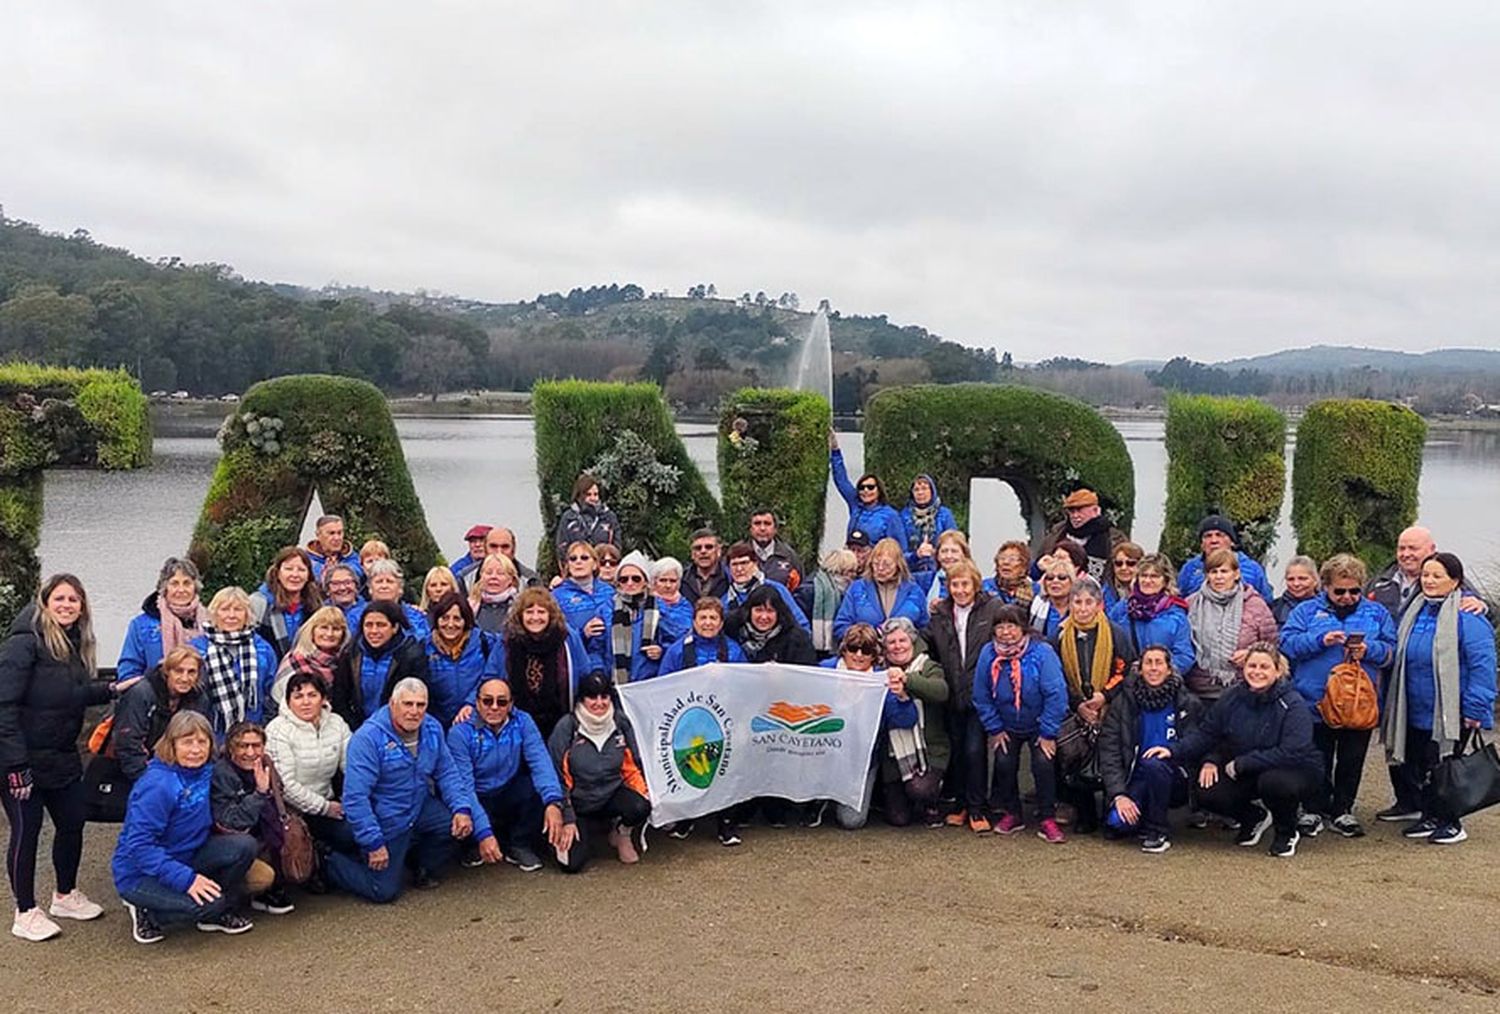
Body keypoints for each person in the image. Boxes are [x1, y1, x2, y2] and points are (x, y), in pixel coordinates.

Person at [0, 575, 124, 941]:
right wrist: (15, 764)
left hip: (60, 755)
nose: (67, 605)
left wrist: (113, 688)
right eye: (60, 598)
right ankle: (25, 911)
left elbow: (71, 695)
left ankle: (65, 895)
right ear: (45, 601)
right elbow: (3, 705)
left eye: (74, 600)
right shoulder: (23, 644)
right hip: (20, 760)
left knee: (72, 821)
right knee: (26, 830)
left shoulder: (72, 644)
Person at [1146, 642, 1322, 858]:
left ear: (1278, 671)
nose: (1257, 672)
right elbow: (1207, 734)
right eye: (1252, 666)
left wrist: (1245, 763)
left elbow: (1293, 750)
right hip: (1246, 765)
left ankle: (1286, 831)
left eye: (1264, 667)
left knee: (1275, 783)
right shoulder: (1232, 698)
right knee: (1206, 788)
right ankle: (1253, 817)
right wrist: (1173, 750)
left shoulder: (1292, 703)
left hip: (1294, 768)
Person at [324, 678, 478, 902]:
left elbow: (447, 772)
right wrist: (373, 842)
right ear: (392, 703)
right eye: (407, 704)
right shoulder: (368, 739)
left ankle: (421, 866)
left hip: (419, 806)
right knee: (382, 891)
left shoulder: (432, 728)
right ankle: (328, 861)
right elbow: (356, 798)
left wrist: (462, 808)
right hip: (386, 816)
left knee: (453, 826)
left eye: (420, 705)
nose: (414, 711)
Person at [113, 711, 259, 943]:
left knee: (244, 846)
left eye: (202, 742)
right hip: (141, 872)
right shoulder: (157, 785)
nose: (195, 749)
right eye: (187, 742)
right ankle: (147, 910)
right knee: (211, 905)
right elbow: (140, 846)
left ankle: (214, 908)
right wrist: (187, 880)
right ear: (172, 744)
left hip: (188, 853)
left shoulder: (206, 769)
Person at [1279, 553, 1396, 838]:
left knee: (1351, 759)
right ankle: (1313, 810)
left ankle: (1343, 809)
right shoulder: (1306, 612)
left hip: (1359, 702)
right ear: (1325, 586)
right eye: (1339, 591)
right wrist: (1320, 640)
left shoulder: (1376, 613)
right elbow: (1286, 644)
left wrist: (1371, 650)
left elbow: (1392, 651)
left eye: (1354, 590)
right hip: (1314, 700)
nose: (1347, 596)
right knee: (1316, 757)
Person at [1383, 552, 1497, 844]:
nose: (1429, 581)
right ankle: (1429, 815)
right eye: (1425, 575)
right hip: (1414, 708)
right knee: (1421, 765)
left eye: (1437, 576)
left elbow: (1482, 666)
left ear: (1455, 581)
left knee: (1446, 767)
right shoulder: (1414, 611)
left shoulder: (1469, 618)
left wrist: (1475, 707)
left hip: (1450, 710)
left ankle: (1451, 821)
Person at [447, 678, 567, 873]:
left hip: (506, 787)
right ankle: (472, 845)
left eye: (501, 702)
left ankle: (519, 844)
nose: (494, 707)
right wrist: (484, 833)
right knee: (458, 808)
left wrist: (553, 802)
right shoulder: (459, 733)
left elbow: (540, 762)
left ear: (511, 704)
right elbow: (464, 788)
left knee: (536, 790)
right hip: (476, 793)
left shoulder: (524, 721)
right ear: (477, 703)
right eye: (487, 701)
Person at [972, 604, 1069, 842]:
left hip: (1039, 722)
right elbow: (981, 694)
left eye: (1012, 625)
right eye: (1000, 626)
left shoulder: (1042, 652)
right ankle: (1012, 813)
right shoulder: (988, 653)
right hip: (1006, 723)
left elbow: (1056, 693)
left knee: (1043, 763)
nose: (1006, 632)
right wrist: (994, 727)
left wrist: (1047, 732)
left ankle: (1047, 817)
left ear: (1023, 627)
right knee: (1004, 762)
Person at [1052, 577, 1137, 833]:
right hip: (1075, 707)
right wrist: (1078, 703)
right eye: (1077, 602)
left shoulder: (1115, 633)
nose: (1083, 608)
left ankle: (1112, 809)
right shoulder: (1060, 636)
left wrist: (1105, 696)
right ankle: (1085, 812)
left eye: (1089, 602)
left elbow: (1125, 669)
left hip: (1111, 706)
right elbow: (1057, 675)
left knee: (1111, 757)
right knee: (1075, 758)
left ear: (1099, 605)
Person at [1097, 645, 1201, 854]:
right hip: (1135, 777)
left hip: (1174, 776)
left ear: (1169, 669)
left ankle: (1158, 831)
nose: (1153, 668)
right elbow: (1109, 751)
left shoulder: (1187, 702)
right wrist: (1119, 794)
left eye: (1159, 663)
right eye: (1148, 663)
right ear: (1140, 668)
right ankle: (1143, 814)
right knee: (1117, 824)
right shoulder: (1123, 703)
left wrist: (1173, 750)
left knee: (1155, 765)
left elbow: (1199, 740)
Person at [927, 561, 1004, 830]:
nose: (960, 590)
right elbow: (931, 645)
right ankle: (960, 805)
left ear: (975, 584)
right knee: (957, 751)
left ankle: (977, 807)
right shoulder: (940, 613)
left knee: (974, 750)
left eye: (965, 584)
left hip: (980, 691)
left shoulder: (992, 608)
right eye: (954, 585)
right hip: (951, 691)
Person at [547, 673, 651, 872]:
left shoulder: (620, 722)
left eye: (604, 697)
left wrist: (645, 793)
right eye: (592, 697)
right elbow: (556, 777)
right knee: (571, 865)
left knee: (640, 806)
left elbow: (633, 763)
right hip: (576, 804)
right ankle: (573, 834)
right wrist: (567, 818)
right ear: (581, 699)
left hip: (611, 795)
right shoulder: (567, 727)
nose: (599, 703)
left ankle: (622, 832)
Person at [264, 671, 354, 860]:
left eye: (312, 695)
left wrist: (354, 800)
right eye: (298, 696)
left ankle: (324, 858)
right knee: (348, 835)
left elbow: (353, 766)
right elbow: (285, 786)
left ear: (323, 699)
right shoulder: (277, 730)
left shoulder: (336, 724)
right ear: (288, 701)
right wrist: (324, 807)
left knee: (360, 829)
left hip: (328, 800)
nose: (305, 702)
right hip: (292, 810)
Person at [210, 721, 294, 916]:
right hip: (231, 844)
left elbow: (279, 800)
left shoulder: (266, 765)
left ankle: (267, 892)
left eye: (256, 745)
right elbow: (231, 822)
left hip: (264, 836)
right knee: (263, 877)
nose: (250, 752)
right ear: (231, 748)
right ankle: (223, 900)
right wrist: (259, 793)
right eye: (243, 746)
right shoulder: (222, 774)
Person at [879, 619, 949, 828]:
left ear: (912, 641)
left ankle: (933, 798)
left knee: (920, 790)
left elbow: (941, 692)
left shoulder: (928, 666)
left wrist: (908, 680)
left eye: (902, 640)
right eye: (891, 642)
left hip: (929, 748)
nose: (898, 646)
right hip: (894, 752)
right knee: (898, 819)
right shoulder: (879, 670)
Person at [1186, 548, 1278, 702]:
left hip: (1242, 690)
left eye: (1224, 571)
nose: (1219, 577)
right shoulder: (1191, 604)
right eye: (1214, 572)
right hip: (1198, 691)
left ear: (1236, 574)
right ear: (1207, 575)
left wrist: (1249, 654)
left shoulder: (1255, 605)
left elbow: (1272, 645)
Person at [502, 588, 595, 740]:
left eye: (541, 612)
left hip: (560, 721)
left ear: (550, 615)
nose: (535, 617)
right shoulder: (508, 641)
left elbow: (584, 673)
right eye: (529, 612)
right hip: (517, 724)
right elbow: (493, 676)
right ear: (520, 616)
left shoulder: (567, 637)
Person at [189, 586, 279, 737]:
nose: (231, 615)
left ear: (247, 614)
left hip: (252, 732)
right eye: (225, 609)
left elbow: (271, 691)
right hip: (210, 732)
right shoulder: (197, 648)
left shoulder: (262, 648)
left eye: (238, 609)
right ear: (214, 613)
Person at [115, 646, 212, 782]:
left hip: (180, 772)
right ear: (167, 671)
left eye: (191, 672)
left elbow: (203, 738)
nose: (185, 678)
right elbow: (128, 743)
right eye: (179, 671)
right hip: (138, 773)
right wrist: (147, 781)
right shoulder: (141, 693)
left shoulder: (199, 698)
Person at [116, 557, 209, 682]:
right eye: (174, 583)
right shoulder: (140, 626)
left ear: (195, 587)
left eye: (187, 583)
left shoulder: (210, 623)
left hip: (199, 694)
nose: (181, 590)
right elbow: (128, 671)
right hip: (154, 694)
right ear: (164, 588)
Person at [1366, 526, 1488, 619]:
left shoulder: (1449, 578)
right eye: (1401, 548)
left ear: (1432, 549)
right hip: (1383, 650)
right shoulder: (1380, 581)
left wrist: (1481, 605)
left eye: (1413, 548)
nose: (1406, 554)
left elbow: (1488, 612)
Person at [1109, 553, 1197, 676]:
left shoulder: (1176, 615)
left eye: (1154, 576)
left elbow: (1184, 656)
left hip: (1162, 683)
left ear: (1165, 580)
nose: (1147, 581)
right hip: (1127, 681)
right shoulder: (1122, 609)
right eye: (1143, 575)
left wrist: (1158, 671)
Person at [268, 606, 358, 726]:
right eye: (324, 628)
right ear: (312, 630)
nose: (329, 634)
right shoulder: (295, 660)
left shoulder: (345, 662)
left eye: (336, 629)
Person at [424, 592, 503, 728]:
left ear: (466, 620)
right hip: (435, 724)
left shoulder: (484, 642)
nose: (450, 624)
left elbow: (491, 676)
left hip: (475, 720)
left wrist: (471, 703)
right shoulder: (424, 648)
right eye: (445, 618)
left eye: (457, 619)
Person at [346, 600, 430, 727]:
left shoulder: (411, 654)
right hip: (357, 726)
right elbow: (341, 697)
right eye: (368, 625)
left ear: (395, 628)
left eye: (381, 625)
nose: (374, 631)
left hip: (397, 726)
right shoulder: (352, 652)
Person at [832, 537, 926, 640]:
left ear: (898, 565)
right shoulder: (857, 589)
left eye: (886, 565)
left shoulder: (914, 591)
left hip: (902, 652)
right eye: (876, 564)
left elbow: (925, 628)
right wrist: (864, 638)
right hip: (867, 652)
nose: (880, 568)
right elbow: (840, 626)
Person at [828, 431, 904, 546]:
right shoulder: (856, 506)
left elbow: (899, 547)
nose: (866, 491)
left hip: (876, 561)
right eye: (862, 488)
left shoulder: (890, 515)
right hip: (853, 558)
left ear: (879, 490)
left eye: (870, 487)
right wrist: (835, 450)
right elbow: (841, 480)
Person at [250, 546, 324, 661]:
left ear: (309, 575)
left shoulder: (316, 606)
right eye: (289, 569)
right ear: (278, 573)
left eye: (301, 570)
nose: (295, 575)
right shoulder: (259, 603)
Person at [1176, 515, 1274, 601]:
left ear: (1232, 541)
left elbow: (1267, 601)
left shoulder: (1252, 569)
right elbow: (1179, 600)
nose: (1214, 540)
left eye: (1220, 535)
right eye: (1208, 536)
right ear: (1202, 543)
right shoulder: (1190, 569)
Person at [1041, 488, 1128, 583]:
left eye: (1079, 510)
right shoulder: (1056, 534)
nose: (1075, 515)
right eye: (1071, 511)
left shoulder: (1114, 538)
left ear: (1095, 510)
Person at [554, 541, 616, 674]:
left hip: (610, 663)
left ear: (595, 564)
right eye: (573, 558)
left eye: (584, 558)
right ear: (567, 565)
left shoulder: (609, 591)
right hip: (578, 664)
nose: (578, 562)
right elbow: (555, 634)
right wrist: (583, 633)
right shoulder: (557, 595)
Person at [723, 542, 809, 630]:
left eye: (744, 563)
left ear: (755, 563)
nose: (739, 569)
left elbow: (802, 624)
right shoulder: (726, 601)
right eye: (734, 564)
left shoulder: (777, 589)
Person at [795, 548, 860, 659]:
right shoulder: (811, 591)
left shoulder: (849, 593)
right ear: (838, 570)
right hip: (811, 649)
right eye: (850, 571)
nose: (853, 576)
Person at [729, 584, 818, 665]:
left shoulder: (797, 640)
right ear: (749, 611)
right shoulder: (732, 627)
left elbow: (807, 675)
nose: (764, 617)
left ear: (779, 613)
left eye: (770, 611)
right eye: (758, 610)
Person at [609, 551, 662, 683]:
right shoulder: (606, 609)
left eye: (636, 578)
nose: (630, 583)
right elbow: (596, 649)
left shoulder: (661, 609)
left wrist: (662, 650)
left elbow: (674, 641)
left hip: (649, 682)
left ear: (645, 581)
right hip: (615, 683)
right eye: (624, 579)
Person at [658, 599, 748, 675]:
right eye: (703, 618)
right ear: (694, 622)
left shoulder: (734, 651)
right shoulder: (677, 651)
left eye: (713, 618)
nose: (708, 623)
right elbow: (665, 685)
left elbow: (742, 681)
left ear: (721, 623)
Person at [899, 474, 959, 588]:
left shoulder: (944, 514)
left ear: (932, 491)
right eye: (916, 489)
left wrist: (936, 552)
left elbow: (954, 542)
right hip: (911, 573)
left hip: (939, 571)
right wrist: (916, 554)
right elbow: (899, 550)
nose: (920, 492)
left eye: (924, 488)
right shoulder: (904, 516)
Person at [355, 559, 429, 641]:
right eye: (379, 581)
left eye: (389, 581)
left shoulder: (416, 616)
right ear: (370, 588)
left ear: (400, 588)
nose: (384, 586)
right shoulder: (356, 615)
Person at [554, 472, 622, 559]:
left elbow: (617, 546)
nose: (593, 498)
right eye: (588, 494)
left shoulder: (609, 517)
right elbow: (561, 547)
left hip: (603, 566)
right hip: (577, 567)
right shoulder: (568, 517)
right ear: (579, 495)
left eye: (596, 494)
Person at [747, 508, 804, 591]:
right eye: (757, 523)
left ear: (775, 529)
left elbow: (801, 590)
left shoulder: (789, 556)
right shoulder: (740, 554)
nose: (762, 528)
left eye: (767, 524)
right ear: (751, 529)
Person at [468, 552, 520, 633]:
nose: (493, 577)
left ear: (511, 579)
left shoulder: (519, 607)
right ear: (481, 576)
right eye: (488, 573)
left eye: (500, 573)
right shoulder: (469, 607)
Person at [305, 514, 362, 584]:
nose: (337, 538)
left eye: (339, 533)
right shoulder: (306, 560)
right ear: (318, 535)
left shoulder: (353, 558)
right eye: (331, 533)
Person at [649, 557, 694, 647]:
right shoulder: (648, 604)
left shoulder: (687, 606)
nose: (668, 585)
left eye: (672, 581)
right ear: (654, 582)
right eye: (663, 580)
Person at [1031, 555, 1077, 639]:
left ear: (1072, 582)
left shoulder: (1080, 608)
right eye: (1050, 578)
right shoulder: (1033, 605)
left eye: (1062, 577)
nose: (1055, 581)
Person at [922, 529, 974, 604]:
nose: (949, 556)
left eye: (954, 551)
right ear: (937, 555)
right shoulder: (925, 580)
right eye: (944, 551)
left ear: (964, 555)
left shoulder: (973, 581)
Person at [681, 528, 731, 603]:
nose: (703, 551)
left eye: (709, 547)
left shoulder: (730, 578)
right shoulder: (681, 579)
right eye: (698, 548)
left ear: (718, 551)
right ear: (692, 554)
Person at [1271, 555, 1320, 627]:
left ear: (1315, 580)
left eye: (1302, 578)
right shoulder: (1276, 607)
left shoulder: (1327, 606)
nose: (1296, 584)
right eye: (1291, 579)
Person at [984, 540, 1035, 605]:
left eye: (1012, 559)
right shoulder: (985, 587)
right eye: (1002, 558)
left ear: (1024, 567)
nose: (1006, 562)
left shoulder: (1035, 590)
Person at [1103, 541, 1145, 614]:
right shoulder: (1103, 593)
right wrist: (1130, 596)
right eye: (1118, 563)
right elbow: (1111, 619)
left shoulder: (1151, 591)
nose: (1124, 568)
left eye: (1131, 563)